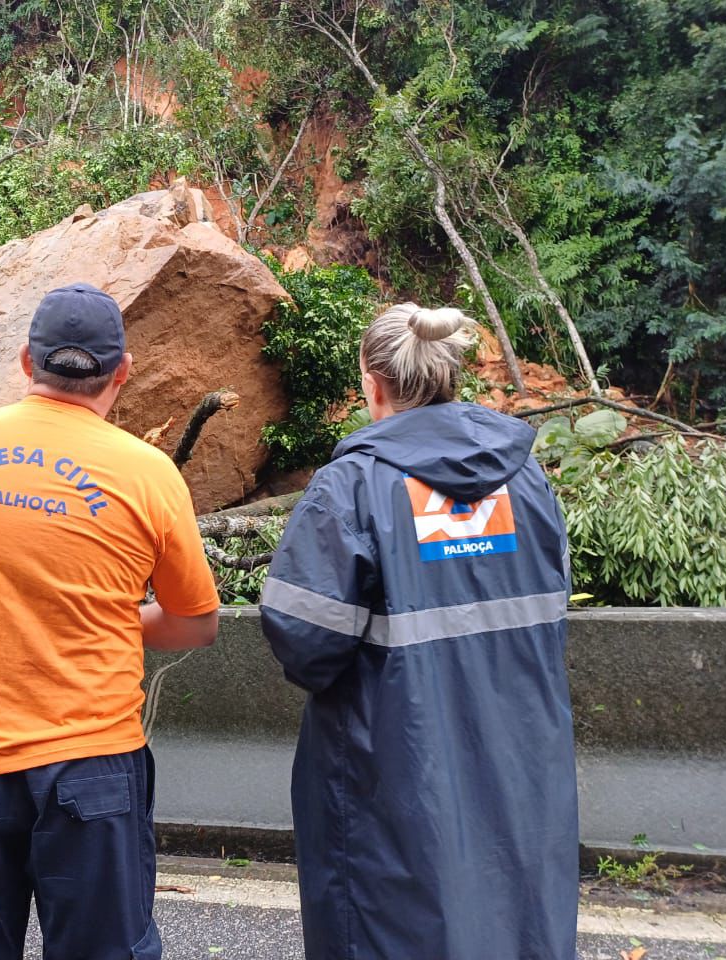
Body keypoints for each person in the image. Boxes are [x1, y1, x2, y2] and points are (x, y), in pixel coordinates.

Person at [0, 282, 220, 960]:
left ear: (27, 366)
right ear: (121, 372)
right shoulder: (149, 474)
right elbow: (196, 623)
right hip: (90, 765)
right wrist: (109, 619)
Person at [260, 303, 578, 960]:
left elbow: (303, 637)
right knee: (513, 914)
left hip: (393, 764)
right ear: (450, 375)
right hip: (521, 756)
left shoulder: (351, 487)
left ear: (372, 384)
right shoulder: (525, 479)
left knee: (388, 922)